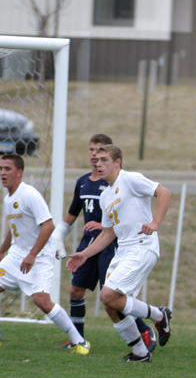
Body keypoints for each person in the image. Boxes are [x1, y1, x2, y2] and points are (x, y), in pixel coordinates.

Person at [0, 154, 90, 354]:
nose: (2, 172)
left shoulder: (29, 194)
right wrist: (2, 251)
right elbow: (14, 226)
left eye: (7, 169)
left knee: (41, 301)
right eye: (1, 168)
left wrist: (32, 255)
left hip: (40, 256)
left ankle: (79, 341)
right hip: (17, 255)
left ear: (19, 172)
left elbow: (48, 226)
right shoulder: (9, 197)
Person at [66, 145, 172, 362]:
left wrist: (155, 222)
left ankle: (159, 315)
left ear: (117, 162)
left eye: (104, 160)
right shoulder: (106, 195)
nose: (98, 164)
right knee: (110, 304)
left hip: (142, 246)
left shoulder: (130, 179)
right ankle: (140, 353)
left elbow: (164, 192)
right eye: (97, 160)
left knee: (108, 295)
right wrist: (84, 254)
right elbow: (107, 234)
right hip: (124, 249)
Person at [50, 134, 156, 351]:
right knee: (76, 291)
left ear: (114, 160)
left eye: (100, 154)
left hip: (115, 245)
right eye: (91, 151)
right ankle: (78, 339)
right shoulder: (84, 183)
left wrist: (105, 227)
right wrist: (58, 238)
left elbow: (115, 225)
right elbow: (71, 214)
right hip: (90, 244)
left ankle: (147, 327)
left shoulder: (124, 181)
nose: (95, 157)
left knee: (112, 297)